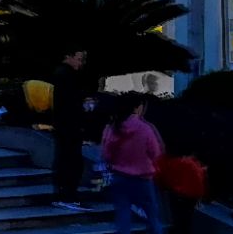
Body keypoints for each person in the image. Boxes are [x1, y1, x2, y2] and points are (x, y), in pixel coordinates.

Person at [100, 93, 163, 234]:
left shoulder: (114, 127)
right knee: (152, 216)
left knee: (123, 216)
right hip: (143, 179)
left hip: (119, 177)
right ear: (137, 107)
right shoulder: (145, 128)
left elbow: (106, 154)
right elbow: (156, 152)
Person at [50, 46, 93, 212]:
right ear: (69, 57)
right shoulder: (65, 75)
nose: (80, 63)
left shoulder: (63, 75)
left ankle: (65, 195)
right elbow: (69, 102)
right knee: (70, 161)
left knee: (68, 159)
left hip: (67, 126)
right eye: (79, 59)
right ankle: (67, 196)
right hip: (69, 126)